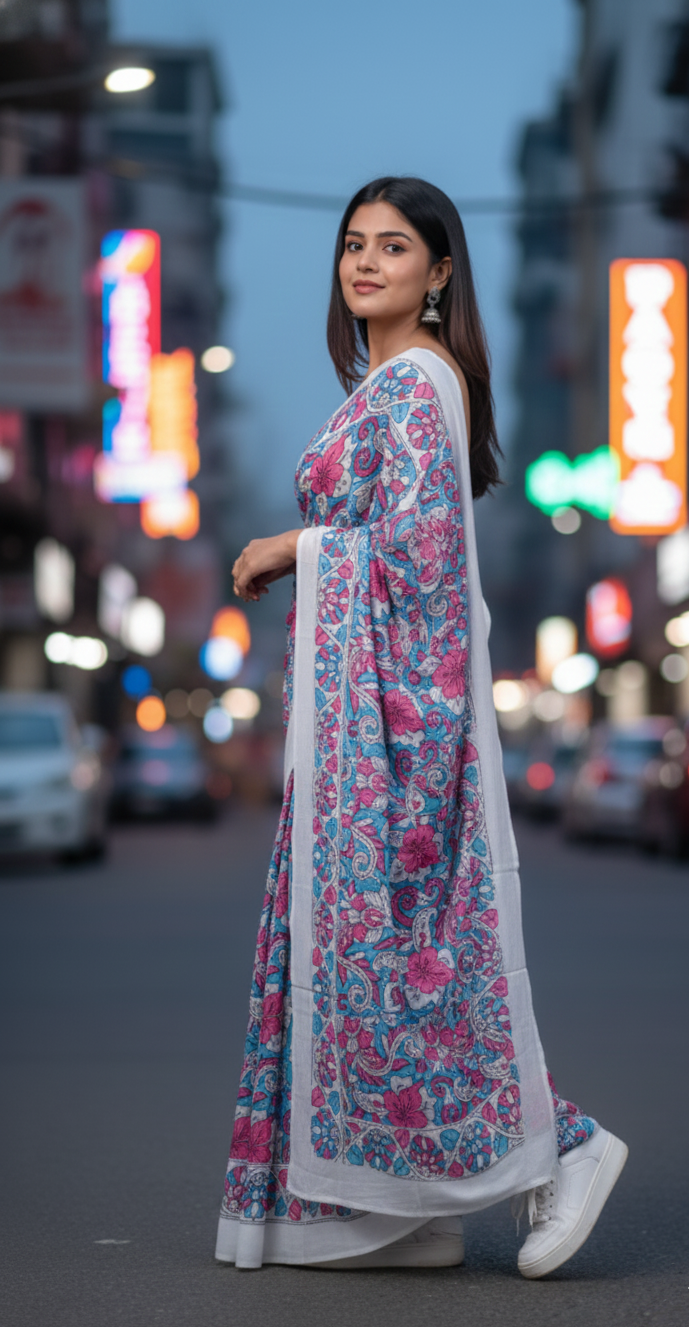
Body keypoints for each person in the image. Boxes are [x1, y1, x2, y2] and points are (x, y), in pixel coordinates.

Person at [217, 176, 627, 1277]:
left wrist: (290, 546)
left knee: (402, 969)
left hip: (389, 735)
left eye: (393, 247)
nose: (364, 263)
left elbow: (418, 560)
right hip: (362, 726)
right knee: (376, 968)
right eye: (353, 244)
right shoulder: (393, 383)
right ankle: (409, 1211)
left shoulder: (411, 383)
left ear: (439, 271)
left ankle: (568, 1147)